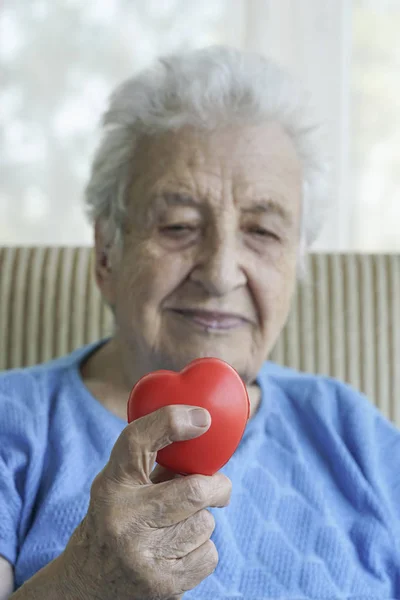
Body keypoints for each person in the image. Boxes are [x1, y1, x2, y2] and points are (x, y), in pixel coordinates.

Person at [0, 45, 399, 600]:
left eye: (262, 232)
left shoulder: (356, 435)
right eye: (180, 225)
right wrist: (81, 582)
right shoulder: (11, 422)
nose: (219, 274)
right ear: (106, 255)